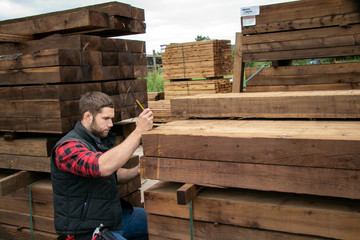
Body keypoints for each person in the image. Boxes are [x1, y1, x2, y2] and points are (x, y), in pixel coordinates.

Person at [50, 91, 153, 240]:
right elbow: (102, 167)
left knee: (163, 221)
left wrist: (138, 170)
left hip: (111, 217)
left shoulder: (96, 140)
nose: (111, 124)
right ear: (87, 116)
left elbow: (113, 173)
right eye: (105, 118)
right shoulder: (67, 148)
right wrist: (138, 132)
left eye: (111, 119)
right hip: (86, 230)